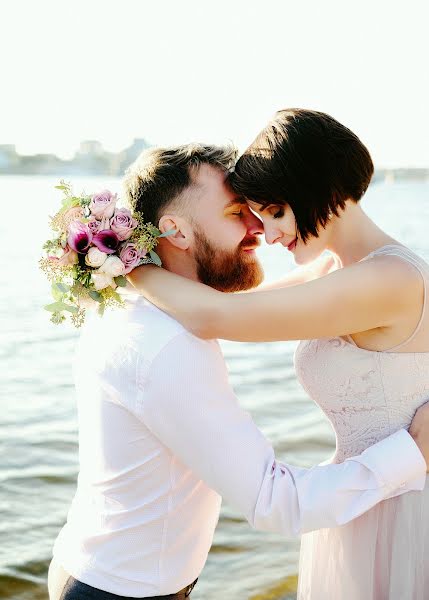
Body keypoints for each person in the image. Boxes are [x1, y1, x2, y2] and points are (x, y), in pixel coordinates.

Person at [49, 143, 429, 600]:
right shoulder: (169, 344)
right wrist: (413, 454)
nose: (259, 229)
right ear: (176, 231)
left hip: (99, 569)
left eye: (262, 210)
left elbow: (235, 310)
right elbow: (276, 504)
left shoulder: (136, 313)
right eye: (237, 212)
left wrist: (124, 264)